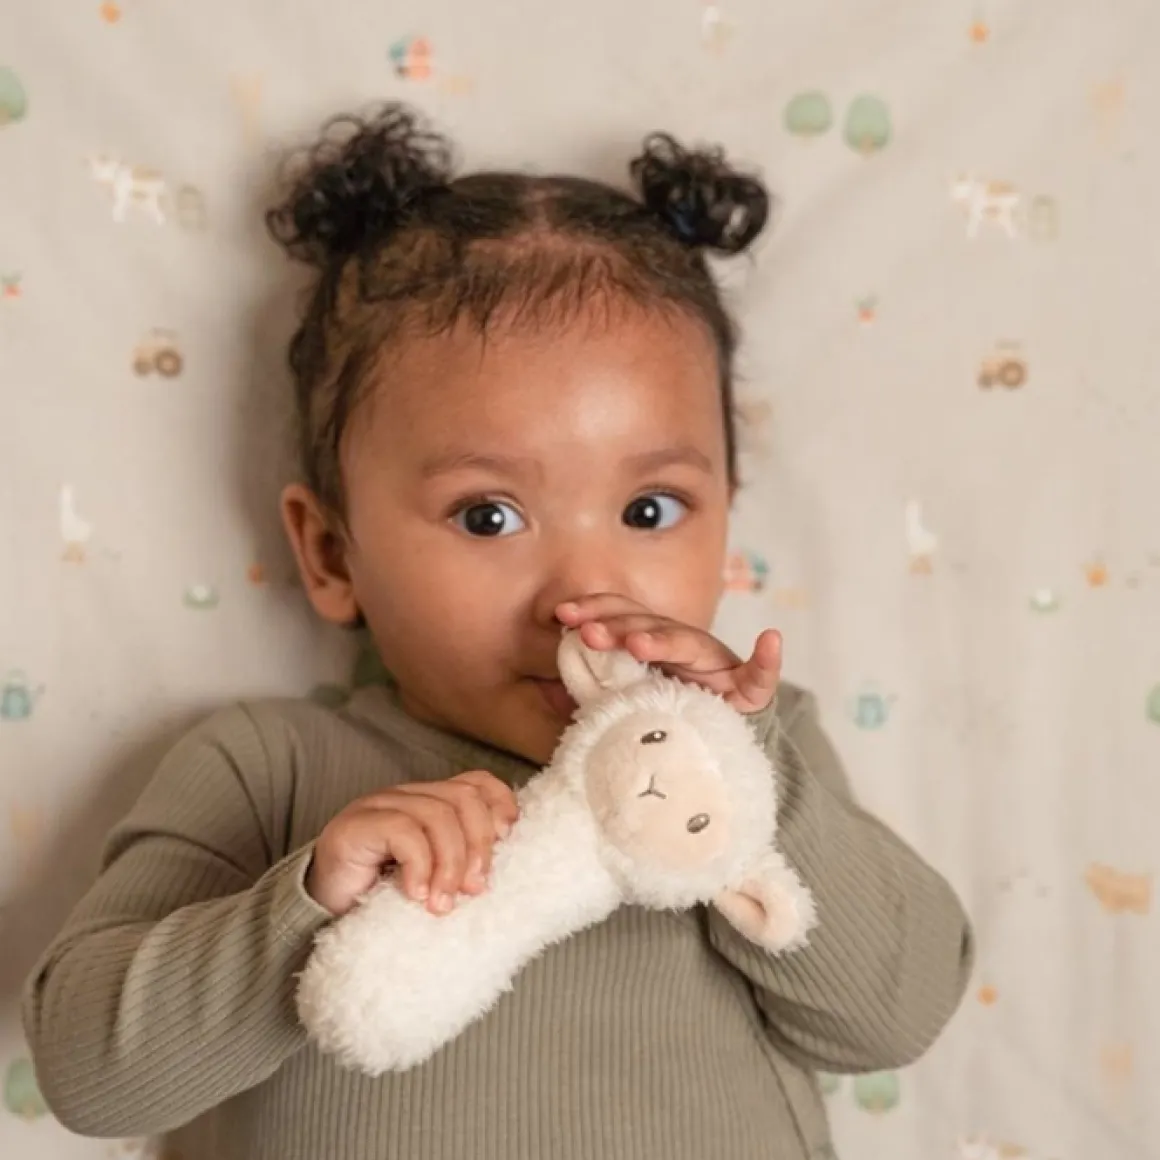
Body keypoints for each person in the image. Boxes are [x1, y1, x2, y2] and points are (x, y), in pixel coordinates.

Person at [23, 103, 974, 1160]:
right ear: (331, 553)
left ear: (726, 518)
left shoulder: (760, 749)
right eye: (488, 516)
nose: (585, 588)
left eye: (650, 508)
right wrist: (305, 902)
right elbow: (88, 1072)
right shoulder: (266, 768)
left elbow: (895, 1015)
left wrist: (747, 777)